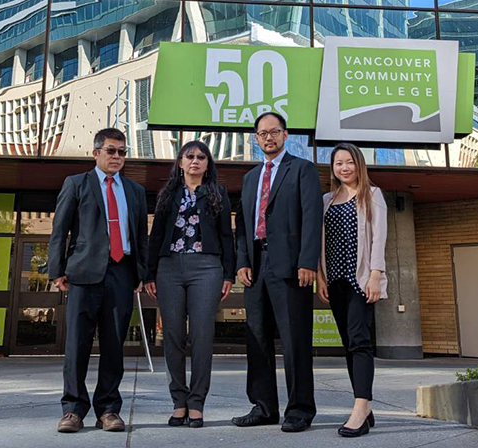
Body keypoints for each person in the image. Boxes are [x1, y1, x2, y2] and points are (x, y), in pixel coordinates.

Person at [48, 127, 148, 434]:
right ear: (96, 153)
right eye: (111, 151)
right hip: (83, 274)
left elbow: (140, 235)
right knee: (77, 344)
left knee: (114, 345)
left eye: (122, 152)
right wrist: (56, 270)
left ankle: (108, 409)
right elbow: (60, 229)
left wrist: (142, 274)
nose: (117, 157)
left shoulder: (135, 190)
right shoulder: (77, 183)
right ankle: (73, 410)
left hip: (121, 273)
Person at [232, 112, 323, 433]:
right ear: (256, 138)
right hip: (256, 267)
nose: (268, 138)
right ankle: (263, 406)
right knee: (257, 338)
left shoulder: (302, 169)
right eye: (262, 134)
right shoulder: (250, 178)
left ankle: (300, 409)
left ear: (285, 135)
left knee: (295, 339)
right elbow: (242, 224)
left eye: (274, 132)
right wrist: (242, 261)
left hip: (291, 266)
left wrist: (308, 261)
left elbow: (312, 217)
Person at [145, 141, 235, 429]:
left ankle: (197, 403)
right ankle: (179, 402)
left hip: (207, 268)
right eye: (189, 157)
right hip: (169, 268)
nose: (195, 161)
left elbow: (226, 237)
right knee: (172, 336)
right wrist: (149, 274)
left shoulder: (217, 194)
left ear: (208, 164)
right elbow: (156, 234)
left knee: (201, 336)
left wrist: (228, 274)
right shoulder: (168, 194)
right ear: (180, 163)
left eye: (201, 157)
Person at [317, 143, 388, 438]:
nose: (344, 168)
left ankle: (361, 406)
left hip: (360, 279)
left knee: (360, 341)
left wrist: (375, 274)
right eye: (338, 163)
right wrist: (320, 276)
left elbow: (379, 239)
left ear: (359, 164)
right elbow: (321, 242)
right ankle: (364, 406)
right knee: (349, 343)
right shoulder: (326, 200)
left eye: (349, 162)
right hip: (334, 281)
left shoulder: (373, 195)